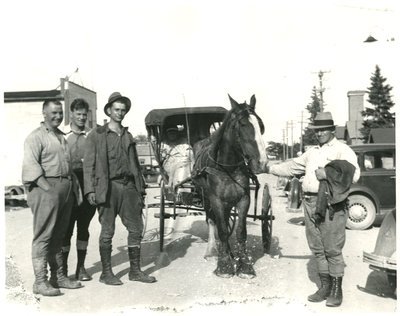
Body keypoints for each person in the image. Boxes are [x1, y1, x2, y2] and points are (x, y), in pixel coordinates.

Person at [267, 112, 360, 307]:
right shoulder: (312, 152)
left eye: (324, 130)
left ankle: (336, 290)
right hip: (309, 202)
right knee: (317, 247)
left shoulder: (343, 150)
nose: (319, 133)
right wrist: (268, 168)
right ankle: (324, 287)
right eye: (317, 130)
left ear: (333, 130)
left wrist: (327, 173)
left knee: (333, 248)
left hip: (330, 204)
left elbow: (355, 174)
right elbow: (293, 167)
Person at [83, 92, 156, 285]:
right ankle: (106, 273)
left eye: (123, 110)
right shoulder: (96, 135)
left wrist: (140, 188)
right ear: (108, 111)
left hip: (129, 187)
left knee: (136, 228)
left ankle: (135, 271)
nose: (120, 113)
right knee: (108, 231)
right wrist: (90, 190)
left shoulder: (128, 135)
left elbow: (135, 165)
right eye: (117, 109)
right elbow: (88, 164)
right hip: (108, 188)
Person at [22, 100, 82, 297]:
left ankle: (59, 277)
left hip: (65, 188)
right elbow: (31, 168)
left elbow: (68, 165)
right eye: (53, 113)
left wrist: (75, 189)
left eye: (60, 113)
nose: (57, 116)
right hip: (46, 188)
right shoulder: (35, 137)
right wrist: (50, 190)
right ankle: (40, 281)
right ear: (44, 113)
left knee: (59, 234)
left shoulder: (61, 137)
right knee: (44, 235)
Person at [61, 98, 97, 281]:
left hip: (87, 184)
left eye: (85, 114)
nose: (82, 117)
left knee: (83, 228)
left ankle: (81, 268)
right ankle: (63, 270)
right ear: (72, 114)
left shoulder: (92, 135)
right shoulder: (62, 134)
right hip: (68, 186)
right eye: (78, 114)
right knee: (66, 229)